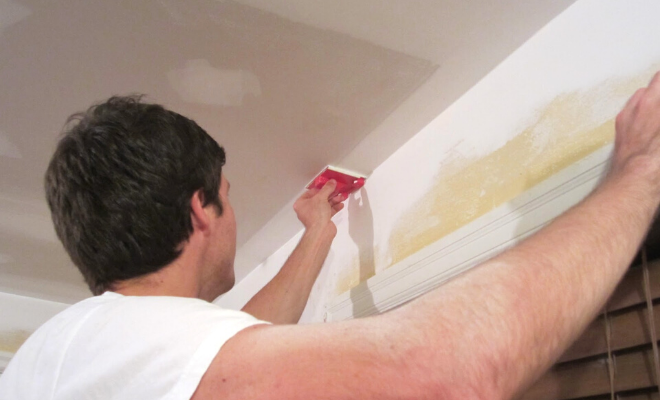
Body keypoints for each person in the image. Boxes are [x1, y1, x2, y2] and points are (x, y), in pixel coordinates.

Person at [1, 71, 660, 400]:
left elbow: (230, 349)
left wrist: (318, 234)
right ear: (200, 212)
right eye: (229, 199)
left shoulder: (70, 356)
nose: (231, 214)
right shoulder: (114, 346)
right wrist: (636, 173)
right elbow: (441, 373)